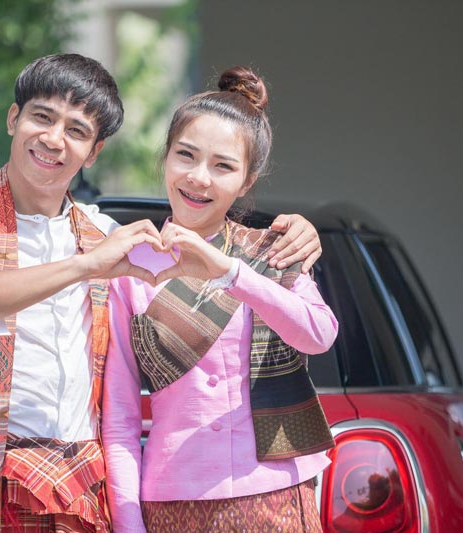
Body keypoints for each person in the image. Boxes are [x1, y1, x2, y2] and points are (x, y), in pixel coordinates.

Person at [0, 53, 323, 533]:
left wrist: (300, 235)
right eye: (42, 117)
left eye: (76, 130)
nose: (53, 139)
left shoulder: (106, 234)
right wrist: (83, 266)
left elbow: (308, 323)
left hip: (82, 481)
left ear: (94, 152)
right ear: (12, 118)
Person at [102, 66, 338, 532]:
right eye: (185, 155)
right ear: (166, 157)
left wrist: (231, 272)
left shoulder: (270, 251)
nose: (198, 178)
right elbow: (120, 418)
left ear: (247, 181)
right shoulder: (129, 268)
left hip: (275, 494)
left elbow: (318, 334)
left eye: (223, 166)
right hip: (173, 499)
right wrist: (129, 522)